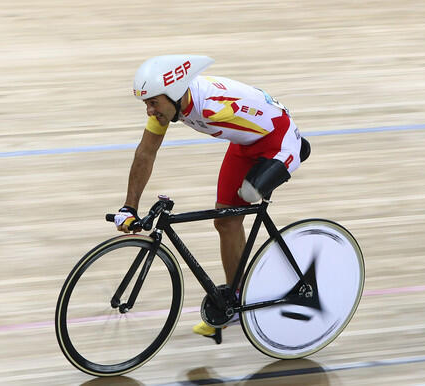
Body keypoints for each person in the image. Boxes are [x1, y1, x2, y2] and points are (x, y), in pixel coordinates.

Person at [113, 55, 302, 338]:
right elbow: (145, 153)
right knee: (225, 221)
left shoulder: (215, 107)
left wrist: (268, 173)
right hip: (245, 144)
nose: (150, 111)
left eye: (153, 103)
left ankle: (272, 285)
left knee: (248, 194)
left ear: (174, 94)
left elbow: (277, 118)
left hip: (280, 142)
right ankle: (235, 301)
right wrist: (129, 206)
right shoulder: (172, 104)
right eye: (147, 104)